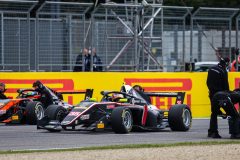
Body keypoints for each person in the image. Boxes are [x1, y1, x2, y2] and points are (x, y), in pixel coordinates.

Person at [206, 56, 230, 138]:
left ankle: (211, 131)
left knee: (214, 113)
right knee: (229, 112)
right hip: (220, 95)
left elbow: (207, 82)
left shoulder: (211, 69)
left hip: (212, 94)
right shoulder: (223, 71)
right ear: (226, 63)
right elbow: (226, 86)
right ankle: (214, 132)